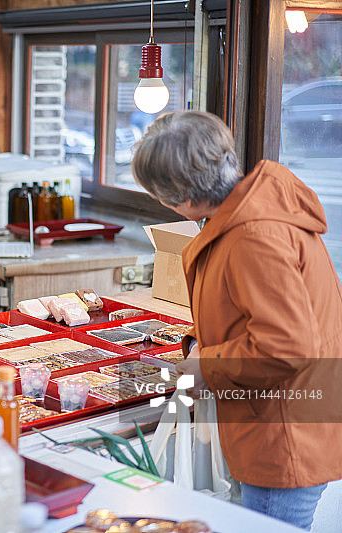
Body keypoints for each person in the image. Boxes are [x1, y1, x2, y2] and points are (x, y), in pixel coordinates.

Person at [131, 110, 342, 530]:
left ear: (182, 197)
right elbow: (258, 315)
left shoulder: (254, 235)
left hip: (284, 433)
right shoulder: (252, 205)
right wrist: (199, 340)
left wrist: (205, 364)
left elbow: (285, 348)